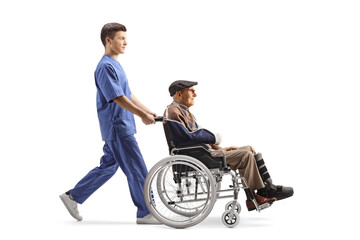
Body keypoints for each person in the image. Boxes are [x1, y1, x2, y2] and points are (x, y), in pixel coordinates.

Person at [59, 23, 160, 224]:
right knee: (137, 167)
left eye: (125, 38)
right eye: (121, 38)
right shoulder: (105, 66)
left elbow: (128, 93)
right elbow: (117, 98)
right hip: (118, 126)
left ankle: (73, 197)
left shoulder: (115, 64)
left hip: (121, 125)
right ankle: (146, 212)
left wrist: (147, 110)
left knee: (108, 167)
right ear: (108, 40)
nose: (126, 42)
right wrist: (141, 115)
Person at [164, 80, 293, 211]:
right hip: (198, 156)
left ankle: (268, 187)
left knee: (249, 148)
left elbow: (197, 138)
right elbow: (189, 138)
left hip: (202, 152)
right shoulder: (174, 111)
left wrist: (221, 149)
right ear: (179, 94)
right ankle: (257, 195)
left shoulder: (182, 111)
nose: (195, 94)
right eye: (192, 91)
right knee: (246, 156)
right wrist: (214, 138)